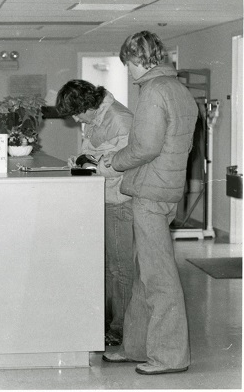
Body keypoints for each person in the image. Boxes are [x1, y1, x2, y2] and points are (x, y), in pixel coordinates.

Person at [98, 31, 198, 375]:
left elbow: (145, 147)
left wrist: (111, 162)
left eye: (128, 64)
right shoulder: (179, 89)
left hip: (149, 193)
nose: (128, 71)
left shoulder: (154, 92)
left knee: (159, 279)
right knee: (145, 274)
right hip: (166, 189)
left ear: (138, 59)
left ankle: (170, 356)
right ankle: (137, 346)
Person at [56, 79, 134, 348]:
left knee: (120, 269)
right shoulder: (95, 118)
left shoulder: (121, 120)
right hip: (100, 198)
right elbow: (90, 154)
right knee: (103, 267)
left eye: (77, 113)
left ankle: (121, 329)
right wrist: (80, 162)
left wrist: (92, 166)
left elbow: (125, 163)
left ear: (89, 105)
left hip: (119, 200)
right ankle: (103, 322)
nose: (77, 119)